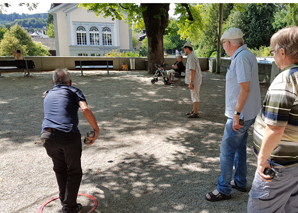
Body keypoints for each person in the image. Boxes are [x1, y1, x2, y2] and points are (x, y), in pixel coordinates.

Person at [205, 27, 261, 201]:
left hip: (241, 115)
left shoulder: (241, 58)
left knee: (227, 150)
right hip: (247, 112)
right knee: (238, 148)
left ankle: (223, 189)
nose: (223, 47)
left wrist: (236, 114)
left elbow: (244, 89)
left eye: (223, 44)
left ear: (228, 43)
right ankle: (240, 181)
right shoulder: (246, 55)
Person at [247, 27, 298, 212]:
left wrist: (262, 160)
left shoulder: (286, 79)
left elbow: (275, 129)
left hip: (279, 167)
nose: (274, 57)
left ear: (282, 52)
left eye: (273, 52)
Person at [41, 68, 100, 213]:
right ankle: (69, 208)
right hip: (68, 135)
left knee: (60, 170)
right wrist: (96, 129)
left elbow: (47, 94)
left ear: (53, 82)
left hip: (47, 137)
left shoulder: (48, 92)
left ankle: (66, 202)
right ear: (70, 82)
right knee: (74, 172)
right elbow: (85, 109)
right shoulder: (74, 91)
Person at [183, 42, 202, 118]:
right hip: (195, 79)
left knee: (195, 95)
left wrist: (191, 82)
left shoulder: (191, 57)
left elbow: (192, 70)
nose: (184, 51)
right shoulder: (192, 56)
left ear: (187, 48)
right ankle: (194, 110)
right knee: (194, 94)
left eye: (184, 49)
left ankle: (196, 112)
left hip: (194, 80)